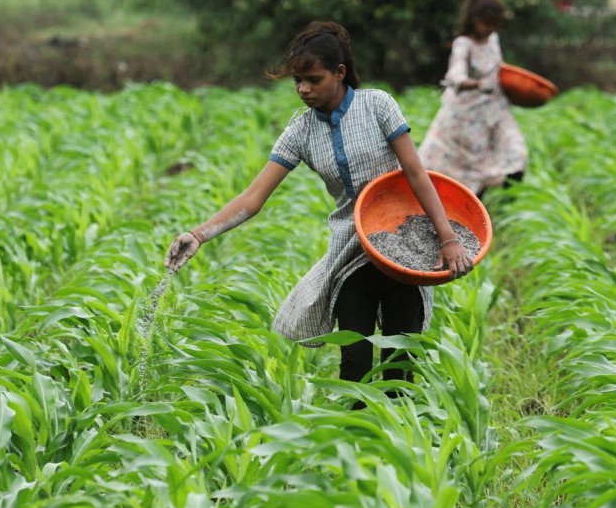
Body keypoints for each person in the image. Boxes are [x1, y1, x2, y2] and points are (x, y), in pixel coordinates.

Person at [165, 21, 471, 385]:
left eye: (313, 79)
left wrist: (447, 238)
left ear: (339, 73)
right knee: (354, 362)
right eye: (298, 80)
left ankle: (398, 419)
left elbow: (417, 174)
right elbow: (253, 197)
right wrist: (198, 235)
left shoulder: (377, 106)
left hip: (403, 246)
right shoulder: (300, 131)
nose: (303, 89)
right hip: (351, 252)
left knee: (400, 362)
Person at [419, 0, 529, 198]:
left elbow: (500, 68)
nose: (490, 29)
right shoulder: (463, 44)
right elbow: (455, 75)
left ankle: (503, 196)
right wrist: (477, 84)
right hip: (465, 117)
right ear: (474, 19)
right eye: (486, 24)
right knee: (465, 167)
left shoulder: (493, 39)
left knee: (516, 151)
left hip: (494, 110)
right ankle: (468, 204)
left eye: (494, 25)